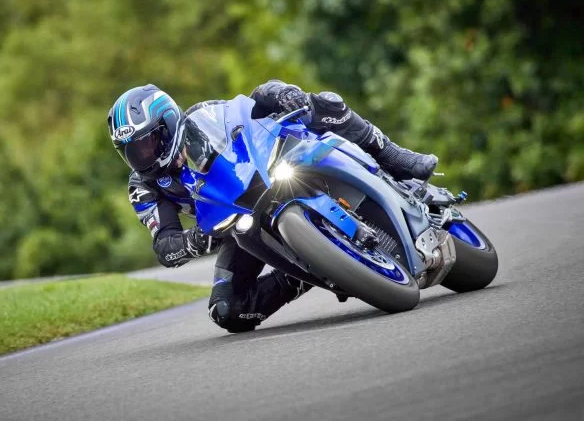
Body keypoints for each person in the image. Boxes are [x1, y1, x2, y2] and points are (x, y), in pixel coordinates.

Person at [107, 81, 437, 333]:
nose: (141, 157)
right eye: (131, 151)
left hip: (274, 169)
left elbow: (252, 101)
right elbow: (165, 245)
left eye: (148, 143)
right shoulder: (144, 186)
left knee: (323, 102)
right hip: (238, 225)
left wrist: (282, 93)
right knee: (227, 311)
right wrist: (196, 240)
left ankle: (394, 158)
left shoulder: (201, 118)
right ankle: (311, 270)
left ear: (167, 124)